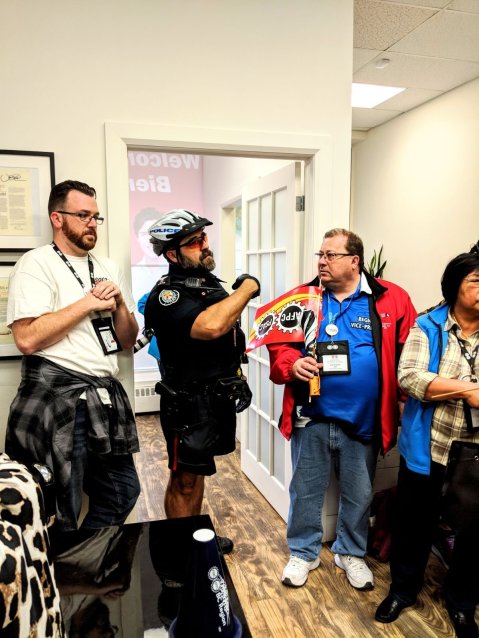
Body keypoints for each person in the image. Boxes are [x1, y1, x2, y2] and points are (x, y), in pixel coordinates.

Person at [268, 228, 416, 590]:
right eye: (320, 254)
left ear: (355, 261)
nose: (322, 261)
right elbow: (279, 349)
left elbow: (408, 354)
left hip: (363, 419)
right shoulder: (301, 299)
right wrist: (292, 364)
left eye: (330, 255)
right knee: (305, 490)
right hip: (311, 416)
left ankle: (350, 552)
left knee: (359, 492)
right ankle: (303, 552)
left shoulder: (392, 298)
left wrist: (402, 402)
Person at [6, 180, 141, 531]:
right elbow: (26, 339)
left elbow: (127, 340)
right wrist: (88, 304)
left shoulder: (107, 266)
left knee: (122, 492)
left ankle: (86, 560)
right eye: (83, 215)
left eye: (96, 217)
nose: (92, 224)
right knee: (57, 508)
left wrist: (120, 304)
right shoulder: (36, 263)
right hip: (56, 399)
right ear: (57, 218)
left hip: (102, 399)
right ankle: (62, 566)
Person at [375, 251, 479, 638]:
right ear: (454, 286)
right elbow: (411, 377)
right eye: (476, 281)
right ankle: (402, 591)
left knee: (472, 533)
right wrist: (467, 390)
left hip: (475, 455)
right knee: (413, 525)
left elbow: (431, 382)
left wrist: (446, 386)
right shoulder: (428, 325)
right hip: (430, 448)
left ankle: (462, 603)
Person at [143, 209, 259, 553]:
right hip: (187, 405)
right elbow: (211, 326)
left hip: (214, 399)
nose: (205, 244)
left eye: (204, 237)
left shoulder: (206, 282)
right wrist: (247, 288)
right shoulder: (168, 296)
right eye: (194, 242)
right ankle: (181, 551)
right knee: (184, 480)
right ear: (172, 254)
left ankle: (193, 537)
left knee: (198, 474)